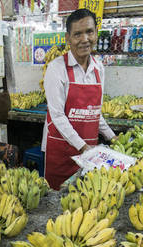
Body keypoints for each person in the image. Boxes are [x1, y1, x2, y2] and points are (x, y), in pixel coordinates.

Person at [42, 8, 116, 190]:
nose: (85, 39)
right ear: (68, 38)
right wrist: (83, 148)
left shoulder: (99, 68)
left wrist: (113, 138)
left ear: (96, 33)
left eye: (89, 32)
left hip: (89, 152)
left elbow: (95, 112)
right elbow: (57, 115)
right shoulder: (56, 69)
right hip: (61, 152)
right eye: (78, 34)